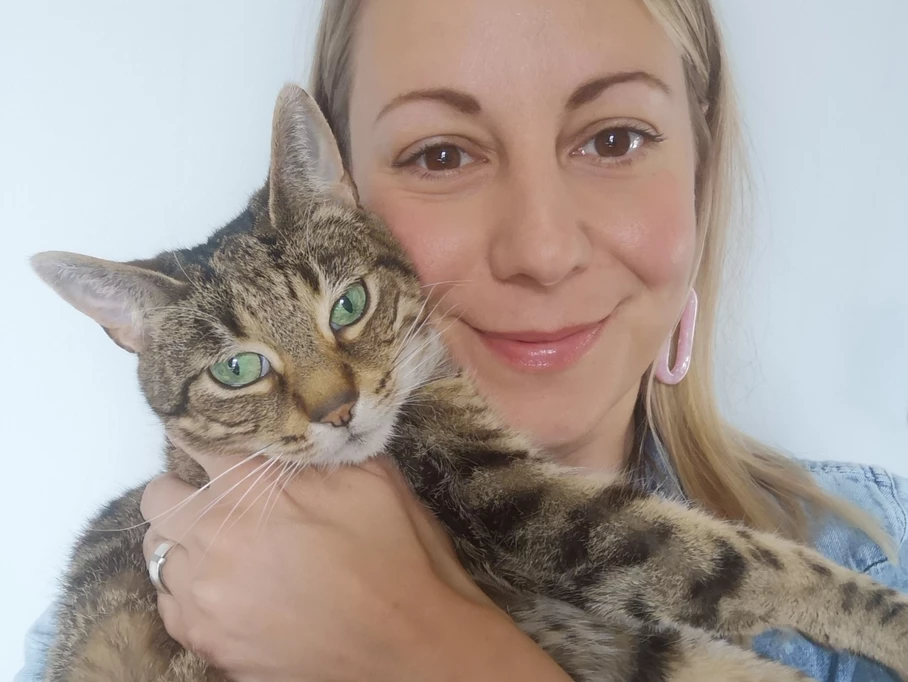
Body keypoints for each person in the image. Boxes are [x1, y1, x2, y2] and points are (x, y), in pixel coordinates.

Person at [16, 0, 908, 680]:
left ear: (703, 166)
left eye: (615, 137)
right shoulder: (90, 620)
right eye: (440, 154)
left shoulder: (882, 546)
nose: (543, 252)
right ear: (352, 181)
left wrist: (435, 647)